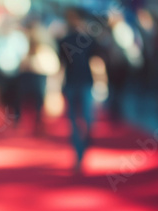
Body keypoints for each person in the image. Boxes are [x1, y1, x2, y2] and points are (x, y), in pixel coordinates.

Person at [58, 8, 96, 171]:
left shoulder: (89, 39)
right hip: (71, 83)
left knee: (87, 119)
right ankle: (78, 154)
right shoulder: (64, 40)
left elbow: (96, 61)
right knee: (74, 121)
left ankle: (85, 144)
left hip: (86, 82)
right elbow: (61, 64)